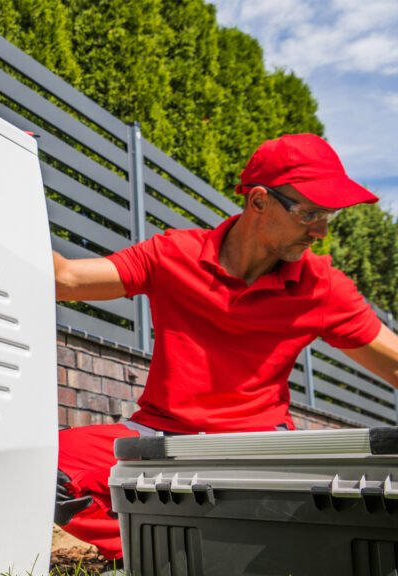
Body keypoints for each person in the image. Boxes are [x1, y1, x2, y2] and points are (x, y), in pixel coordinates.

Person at [52, 133, 398, 561]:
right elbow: (65, 280)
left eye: (329, 216)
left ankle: (206, 554)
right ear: (258, 201)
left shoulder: (322, 287)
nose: (322, 232)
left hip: (258, 447)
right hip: (160, 437)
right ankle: (153, 555)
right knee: (46, 468)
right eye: (309, 214)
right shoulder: (171, 255)